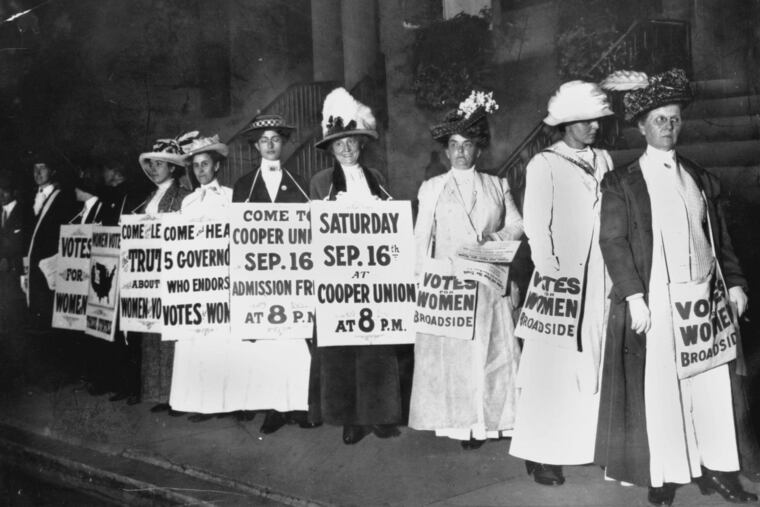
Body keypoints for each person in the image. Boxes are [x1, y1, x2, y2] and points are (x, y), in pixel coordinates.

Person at [596, 68, 757, 505]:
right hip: (660, 303)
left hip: (703, 301)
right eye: (659, 120)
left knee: (713, 390)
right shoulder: (622, 182)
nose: (668, 127)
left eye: (674, 119)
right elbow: (612, 242)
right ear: (642, 126)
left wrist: (736, 283)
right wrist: (634, 296)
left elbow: (718, 237)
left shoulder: (699, 177)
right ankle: (664, 476)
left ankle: (719, 472)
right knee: (665, 391)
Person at [509, 82, 614, 484]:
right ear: (565, 123)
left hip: (601, 273)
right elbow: (536, 225)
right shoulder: (544, 164)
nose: (593, 127)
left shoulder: (603, 158)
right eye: (584, 121)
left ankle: (588, 443)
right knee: (551, 365)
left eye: (596, 120)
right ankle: (541, 452)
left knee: (594, 358)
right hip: (560, 279)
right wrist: (553, 273)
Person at [409, 91, 523, 450]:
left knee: (490, 354)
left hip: (489, 282)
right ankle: (463, 425)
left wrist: (496, 236)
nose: (460, 152)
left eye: (468, 144)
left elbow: (519, 225)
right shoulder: (432, 189)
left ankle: (490, 422)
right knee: (456, 358)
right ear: (446, 151)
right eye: (454, 145)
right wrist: (419, 282)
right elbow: (420, 238)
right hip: (449, 287)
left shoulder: (497, 184)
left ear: (479, 149)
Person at [309, 87, 404, 445]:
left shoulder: (377, 178)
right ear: (330, 148)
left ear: (361, 143)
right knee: (342, 349)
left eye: (351, 141)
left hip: (376, 277)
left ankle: (379, 415)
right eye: (338, 143)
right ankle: (350, 418)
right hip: (339, 278)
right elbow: (316, 233)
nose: (346, 148)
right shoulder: (320, 183)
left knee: (376, 348)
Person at [231, 113, 317, 433]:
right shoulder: (243, 185)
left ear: (282, 144)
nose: (269, 145)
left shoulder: (299, 182)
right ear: (256, 146)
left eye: (275, 140)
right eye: (263, 140)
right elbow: (238, 235)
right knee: (268, 341)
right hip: (259, 276)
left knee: (295, 338)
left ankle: (298, 405)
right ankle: (274, 408)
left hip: (292, 275)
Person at [117, 136, 191, 408]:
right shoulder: (148, 198)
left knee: (170, 336)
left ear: (173, 168)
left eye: (159, 164)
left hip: (169, 274)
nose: (153, 169)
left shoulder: (183, 197)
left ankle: (173, 395)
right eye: (151, 164)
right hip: (147, 276)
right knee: (151, 334)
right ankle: (158, 393)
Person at [168, 133, 237, 422]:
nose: (200, 171)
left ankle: (226, 403)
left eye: (205, 164)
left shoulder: (231, 197)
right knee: (196, 342)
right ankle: (199, 401)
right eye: (196, 166)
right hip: (195, 282)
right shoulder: (188, 203)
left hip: (221, 279)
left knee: (222, 343)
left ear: (216, 166)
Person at [0, 171, 26, 386]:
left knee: (15, 324)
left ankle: (17, 371)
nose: (1, 194)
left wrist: (11, 261)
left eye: (5, 190)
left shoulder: (23, 213)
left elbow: (27, 244)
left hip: (13, 279)